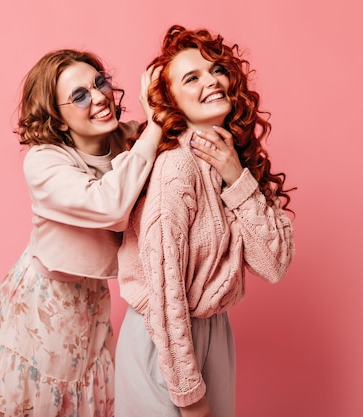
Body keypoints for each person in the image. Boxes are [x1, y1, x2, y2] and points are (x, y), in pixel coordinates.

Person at [0, 49, 162, 417]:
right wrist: (154, 131)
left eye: (99, 82)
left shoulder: (130, 140)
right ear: (56, 117)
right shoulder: (43, 161)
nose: (100, 97)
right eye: (80, 95)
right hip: (40, 309)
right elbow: (109, 208)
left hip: (92, 307)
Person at [114, 25, 296, 417]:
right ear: (172, 103)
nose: (212, 81)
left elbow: (275, 265)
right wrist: (189, 394)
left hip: (215, 335)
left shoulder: (235, 163)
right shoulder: (176, 168)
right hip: (163, 340)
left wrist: (237, 177)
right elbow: (165, 293)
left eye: (216, 70)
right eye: (191, 77)